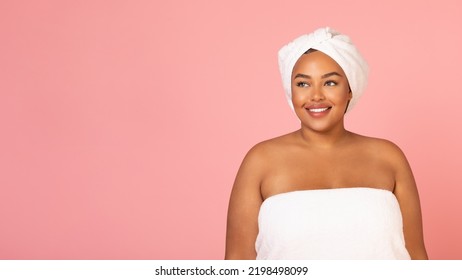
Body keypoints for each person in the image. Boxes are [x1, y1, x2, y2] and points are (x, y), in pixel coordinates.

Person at [225, 27, 428, 260]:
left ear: (349, 89)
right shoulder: (261, 161)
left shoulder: (388, 158)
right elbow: (237, 261)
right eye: (303, 84)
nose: (316, 96)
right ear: (291, 91)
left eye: (330, 83)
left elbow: (417, 257)